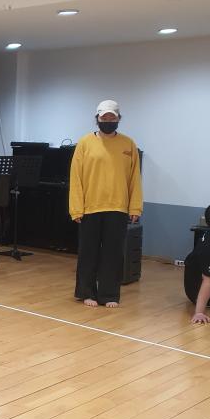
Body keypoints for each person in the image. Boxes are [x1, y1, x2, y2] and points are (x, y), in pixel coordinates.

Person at [69, 99, 142, 308]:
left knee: (113, 253)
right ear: (97, 119)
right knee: (88, 252)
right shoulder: (85, 143)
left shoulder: (128, 144)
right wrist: (76, 208)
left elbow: (134, 178)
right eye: (104, 117)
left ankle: (109, 294)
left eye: (112, 117)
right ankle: (86, 292)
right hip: (90, 208)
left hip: (118, 207)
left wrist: (135, 207)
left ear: (118, 119)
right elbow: (76, 177)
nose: (108, 120)